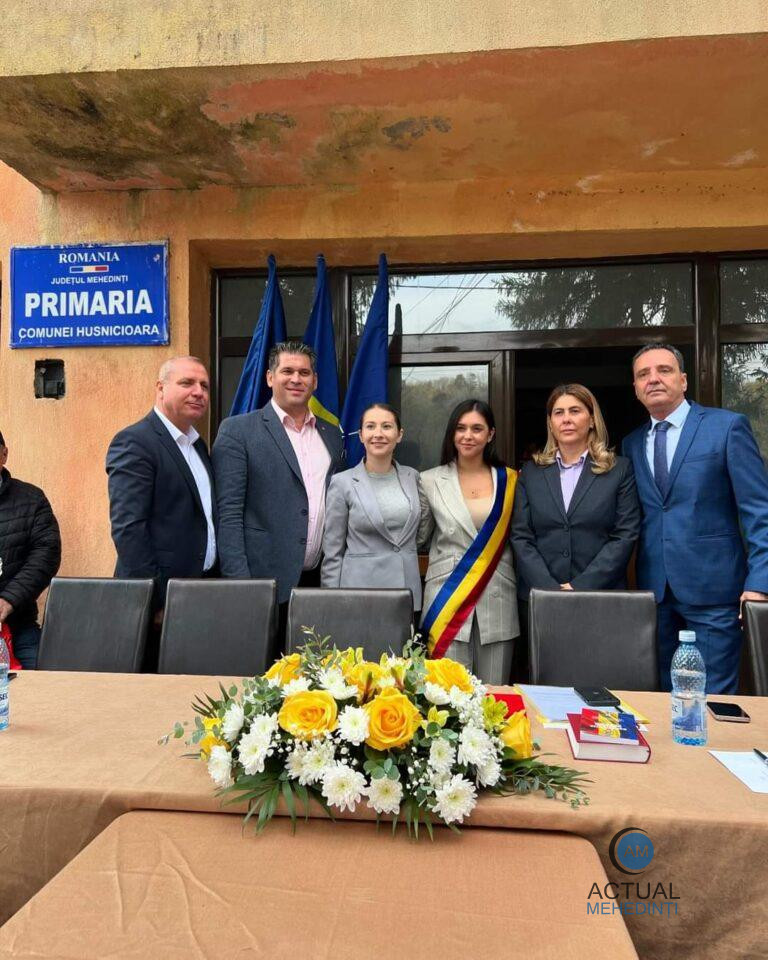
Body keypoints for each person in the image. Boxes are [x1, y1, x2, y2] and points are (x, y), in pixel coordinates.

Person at [623, 343, 768, 693]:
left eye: (664, 370)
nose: (653, 379)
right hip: (654, 595)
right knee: (661, 698)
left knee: (713, 699)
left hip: (714, 593)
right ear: (636, 388)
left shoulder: (727, 427)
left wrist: (760, 582)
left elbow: (759, 511)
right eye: (643, 374)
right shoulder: (631, 443)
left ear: (684, 380)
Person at [212, 341, 345, 654]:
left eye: (304, 373)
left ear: (315, 381)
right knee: (262, 675)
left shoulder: (331, 434)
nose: (296, 379)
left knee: (314, 675)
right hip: (263, 586)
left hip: (318, 584)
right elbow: (228, 514)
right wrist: (242, 587)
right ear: (270, 377)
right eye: (287, 371)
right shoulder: (238, 431)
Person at [106, 356, 217, 669]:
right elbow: (128, 529)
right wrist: (155, 600)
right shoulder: (135, 441)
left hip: (198, 594)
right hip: (156, 604)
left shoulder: (197, 446)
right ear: (161, 388)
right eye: (187, 383)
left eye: (204, 386)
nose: (198, 392)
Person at [418, 399, 518, 684]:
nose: (468, 435)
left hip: (497, 599)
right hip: (446, 600)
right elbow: (420, 538)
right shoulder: (428, 480)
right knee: (446, 698)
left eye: (477, 428)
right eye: (461, 428)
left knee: (495, 697)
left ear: (491, 434)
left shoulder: (511, 480)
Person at [511, 383, 640, 595]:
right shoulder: (531, 473)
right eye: (558, 413)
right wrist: (550, 590)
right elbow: (521, 536)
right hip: (541, 596)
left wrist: (579, 587)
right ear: (550, 423)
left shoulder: (619, 470)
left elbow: (625, 535)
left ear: (592, 420)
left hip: (601, 596)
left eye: (575, 411)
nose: (566, 419)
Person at [322, 404, 422, 613]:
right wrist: (331, 601)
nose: (378, 434)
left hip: (406, 593)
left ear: (399, 435)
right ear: (361, 435)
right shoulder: (342, 483)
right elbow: (333, 552)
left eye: (387, 426)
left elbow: (421, 531)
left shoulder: (413, 477)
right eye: (370, 426)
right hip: (359, 595)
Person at [0, 430, 61, 668]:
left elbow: (46, 554)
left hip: (19, 627)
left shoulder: (31, 499)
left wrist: (7, 601)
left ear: (4, 454)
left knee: (46, 681)